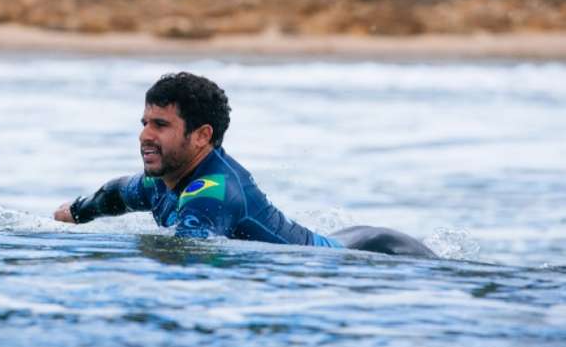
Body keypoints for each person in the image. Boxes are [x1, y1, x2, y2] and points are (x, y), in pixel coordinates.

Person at [54, 72, 436, 258]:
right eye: (145, 124)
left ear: (202, 135)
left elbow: (189, 256)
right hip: (345, 240)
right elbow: (115, 195)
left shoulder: (213, 192)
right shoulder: (161, 179)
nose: (145, 136)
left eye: (161, 125)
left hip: (377, 254)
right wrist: (74, 213)